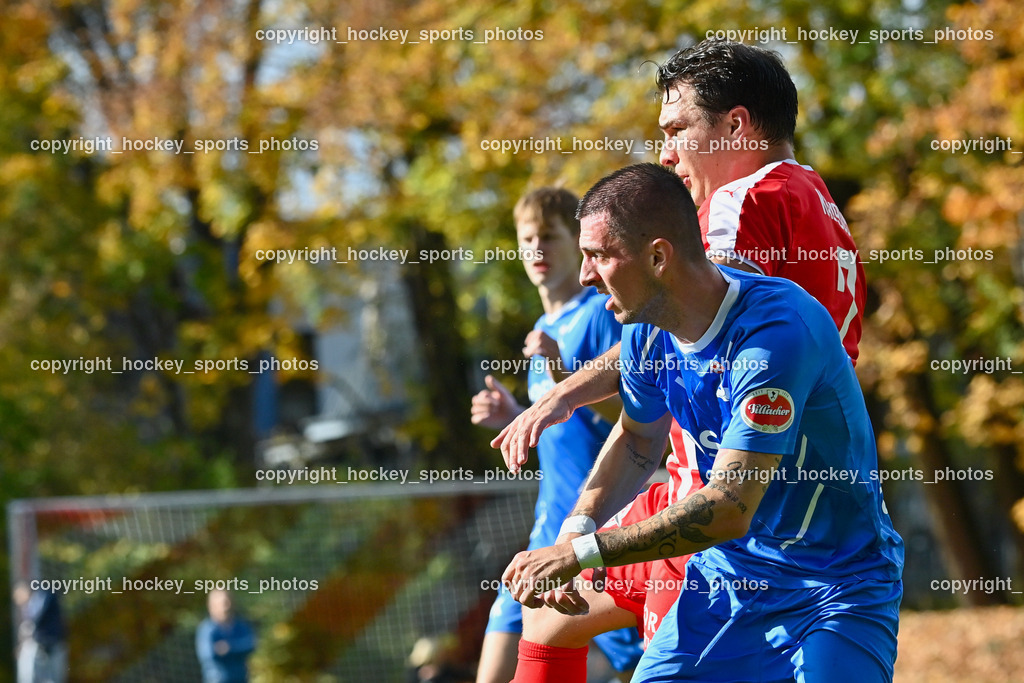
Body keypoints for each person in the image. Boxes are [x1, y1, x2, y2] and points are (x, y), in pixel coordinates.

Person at [493, 38, 868, 661]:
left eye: (676, 129)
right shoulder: (813, 196)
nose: (665, 154)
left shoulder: (738, 202)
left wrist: (562, 393)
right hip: (795, 475)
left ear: (735, 125)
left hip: (725, 490)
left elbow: (668, 317)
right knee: (545, 619)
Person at [471, 187, 643, 682]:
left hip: (595, 533)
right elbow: (565, 426)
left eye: (549, 236)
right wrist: (517, 416)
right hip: (546, 530)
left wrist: (562, 370)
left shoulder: (600, 313)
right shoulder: (544, 324)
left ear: (579, 243)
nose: (537, 250)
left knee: (628, 668)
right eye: (527, 239)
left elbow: (636, 420)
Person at [195, 589, 256, 683]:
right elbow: (209, 654)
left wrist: (229, 648)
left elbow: (250, 645)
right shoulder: (207, 629)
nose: (226, 607)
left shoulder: (240, 625)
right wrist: (238, 651)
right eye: (222, 603)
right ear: (211, 605)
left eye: (227, 602)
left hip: (241, 679)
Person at [14, 581, 68, 683]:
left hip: (52, 644)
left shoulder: (42, 598)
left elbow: (34, 621)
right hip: (41, 646)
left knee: (52, 677)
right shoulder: (30, 607)